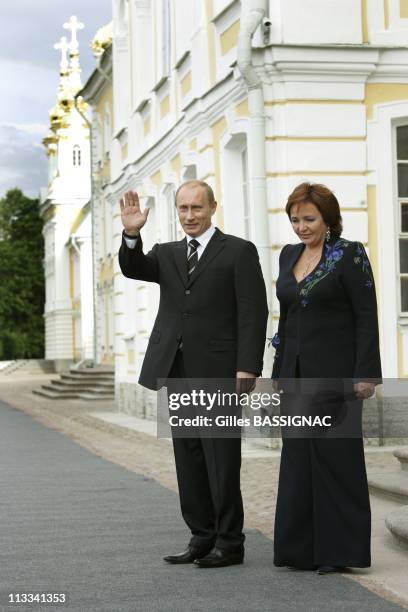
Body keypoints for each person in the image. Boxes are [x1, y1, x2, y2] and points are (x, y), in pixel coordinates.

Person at [118, 180, 268, 568]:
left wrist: (248, 364)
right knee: (189, 456)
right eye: (183, 209)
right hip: (177, 368)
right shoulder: (166, 254)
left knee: (221, 457)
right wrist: (132, 233)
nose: (189, 216)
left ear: (213, 208)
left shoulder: (238, 251)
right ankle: (201, 536)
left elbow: (253, 310)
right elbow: (133, 268)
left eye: (196, 208)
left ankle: (230, 542)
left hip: (219, 370)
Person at [271, 182, 382, 575]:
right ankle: (300, 550)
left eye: (309, 219)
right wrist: (278, 371)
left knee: (337, 460)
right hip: (294, 377)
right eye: (295, 219)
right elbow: (285, 317)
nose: (300, 227)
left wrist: (365, 373)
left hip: (336, 375)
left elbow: (366, 315)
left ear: (328, 219)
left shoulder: (349, 254)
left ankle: (340, 552)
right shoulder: (288, 255)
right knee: (298, 460)